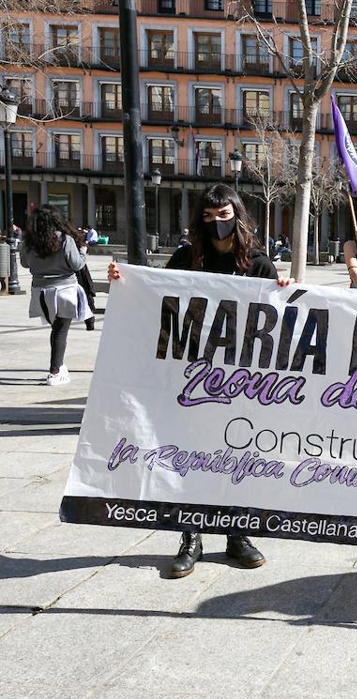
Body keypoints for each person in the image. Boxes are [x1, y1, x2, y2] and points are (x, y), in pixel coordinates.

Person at [108, 183, 293, 579]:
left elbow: (275, 321)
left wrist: (285, 292)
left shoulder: (258, 264)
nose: (216, 224)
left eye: (224, 216)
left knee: (235, 457)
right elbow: (155, 296)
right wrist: (124, 281)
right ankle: (190, 537)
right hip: (190, 378)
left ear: (238, 216)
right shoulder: (186, 258)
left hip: (240, 382)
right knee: (190, 457)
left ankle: (237, 535)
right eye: (208, 217)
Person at [20, 205, 91, 385]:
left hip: (40, 292)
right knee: (60, 331)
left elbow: (25, 264)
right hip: (64, 290)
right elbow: (77, 265)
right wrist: (83, 251)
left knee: (56, 329)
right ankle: (55, 371)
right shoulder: (65, 239)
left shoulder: (29, 242)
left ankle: (58, 366)